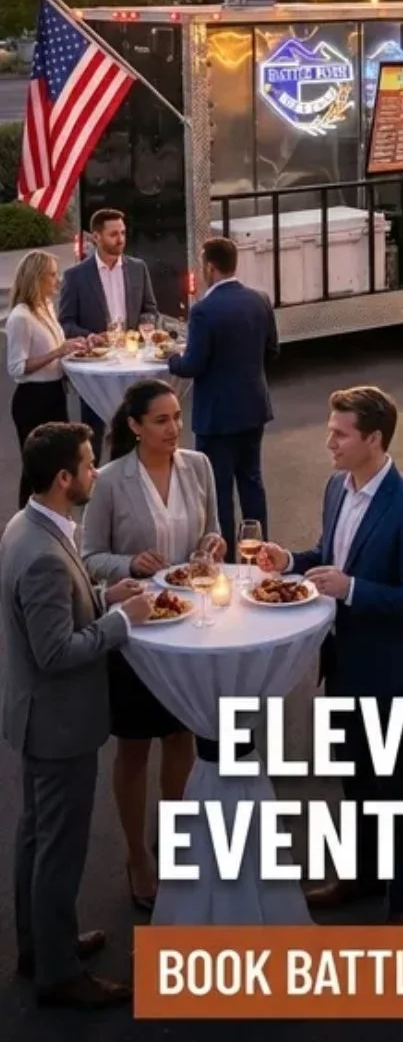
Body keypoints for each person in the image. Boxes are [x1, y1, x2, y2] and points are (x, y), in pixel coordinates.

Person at [257, 386, 403, 924]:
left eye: (340, 433)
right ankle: (363, 876)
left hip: (392, 675)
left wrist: (352, 589)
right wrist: (288, 558)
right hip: (344, 666)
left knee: (400, 791)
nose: (329, 441)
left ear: (374, 439)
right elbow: (328, 557)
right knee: (356, 780)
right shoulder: (338, 488)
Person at [0, 422, 151, 1010]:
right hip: (59, 725)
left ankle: (41, 946)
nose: (95, 472)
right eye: (89, 465)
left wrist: (100, 591)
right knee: (59, 848)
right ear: (64, 479)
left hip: (36, 717)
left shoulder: (29, 523)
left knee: (36, 838)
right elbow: (56, 652)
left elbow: (62, 598)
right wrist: (121, 623)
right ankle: (59, 974)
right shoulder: (41, 553)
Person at [80, 379, 225, 912]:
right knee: (135, 745)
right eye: (161, 420)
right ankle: (138, 856)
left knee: (181, 735)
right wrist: (128, 564)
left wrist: (213, 544)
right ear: (134, 427)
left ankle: (178, 842)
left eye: (177, 418)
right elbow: (89, 556)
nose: (174, 429)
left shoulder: (199, 466)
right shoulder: (110, 481)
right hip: (136, 630)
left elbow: (212, 532)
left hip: (187, 625)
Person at [166, 237, 279, 558]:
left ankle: (227, 558)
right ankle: (261, 552)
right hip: (254, 407)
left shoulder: (204, 311)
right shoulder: (260, 300)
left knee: (218, 492)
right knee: (252, 482)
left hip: (217, 416)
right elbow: (272, 351)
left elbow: (192, 365)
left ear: (210, 267)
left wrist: (170, 357)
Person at [57, 208, 158, 461]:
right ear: (96, 238)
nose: (121, 239)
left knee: (133, 427)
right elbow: (66, 322)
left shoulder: (138, 268)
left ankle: (131, 480)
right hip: (97, 368)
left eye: (123, 233)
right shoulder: (76, 276)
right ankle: (92, 484)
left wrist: (141, 328)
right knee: (94, 432)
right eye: (114, 234)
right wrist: (92, 336)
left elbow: (150, 309)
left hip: (133, 364)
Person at [5, 250, 90, 508]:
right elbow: (17, 367)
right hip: (33, 399)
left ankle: (56, 517)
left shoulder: (46, 306)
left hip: (55, 394)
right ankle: (25, 526)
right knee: (36, 470)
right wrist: (57, 352)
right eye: (52, 275)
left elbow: (56, 345)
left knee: (57, 467)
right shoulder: (21, 317)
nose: (57, 280)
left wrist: (74, 345)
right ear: (37, 278)